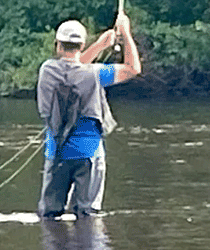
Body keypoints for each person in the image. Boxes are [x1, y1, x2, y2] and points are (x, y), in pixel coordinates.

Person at [36, 12, 141, 219]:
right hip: (89, 153)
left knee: (49, 217)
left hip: (56, 152)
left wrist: (100, 45)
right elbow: (132, 69)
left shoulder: (47, 70)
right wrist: (126, 33)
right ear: (82, 46)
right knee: (88, 216)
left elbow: (73, 68)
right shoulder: (95, 73)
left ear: (57, 45)